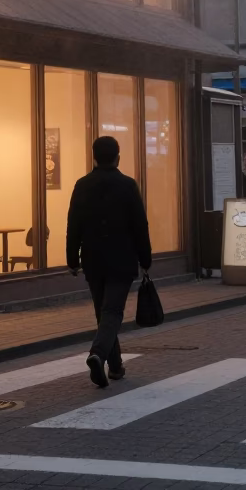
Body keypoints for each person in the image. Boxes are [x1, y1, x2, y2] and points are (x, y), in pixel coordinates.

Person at [66, 134, 152, 389]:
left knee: (103, 312)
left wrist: (72, 259)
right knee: (112, 311)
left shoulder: (82, 185)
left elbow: (74, 225)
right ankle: (98, 354)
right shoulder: (127, 185)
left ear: (94, 156)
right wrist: (145, 258)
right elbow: (140, 225)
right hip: (121, 258)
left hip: (93, 259)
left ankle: (115, 367)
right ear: (117, 157)